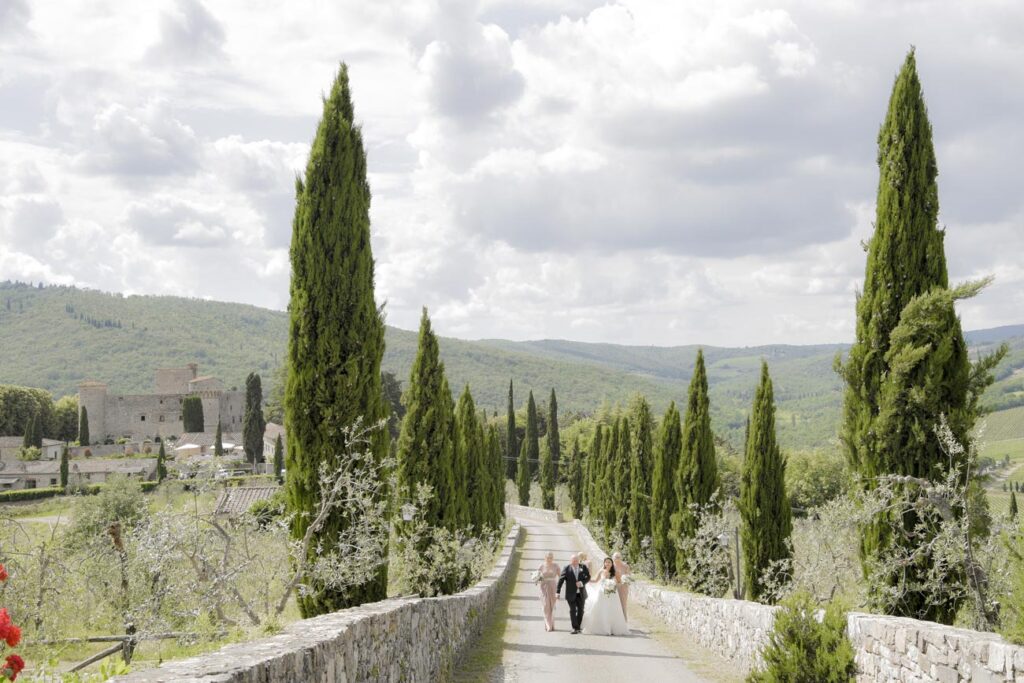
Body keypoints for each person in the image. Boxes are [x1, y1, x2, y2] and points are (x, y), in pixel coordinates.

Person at [581, 557, 629, 636]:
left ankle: (613, 628)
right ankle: (602, 627)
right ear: (604, 563)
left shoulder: (616, 572)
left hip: (612, 594)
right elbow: (595, 580)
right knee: (601, 608)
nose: (607, 564)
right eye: (606, 562)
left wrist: (613, 585)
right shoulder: (601, 571)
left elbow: (619, 582)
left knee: (612, 609)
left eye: (609, 562)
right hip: (602, 593)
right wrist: (586, 580)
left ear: (612, 563)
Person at [556, 553, 590, 634]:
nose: (575, 562)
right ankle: (575, 628)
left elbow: (588, 577)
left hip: (581, 593)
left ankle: (578, 626)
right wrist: (557, 592)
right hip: (570, 593)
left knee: (581, 611)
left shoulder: (583, 567)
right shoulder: (566, 568)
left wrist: (582, 582)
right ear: (570, 561)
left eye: (576, 560)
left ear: (579, 560)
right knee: (572, 610)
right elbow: (561, 581)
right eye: (573, 561)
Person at [537, 551, 561, 631]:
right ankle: (548, 625)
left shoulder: (556, 566)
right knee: (545, 606)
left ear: (553, 558)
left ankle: (551, 624)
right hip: (543, 587)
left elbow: (561, 577)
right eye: (548, 557)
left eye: (551, 558)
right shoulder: (541, 566)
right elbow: (536, 578)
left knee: (552, 607)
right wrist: (539, 580)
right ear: (545, 558)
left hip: (553, 587)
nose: (549, 559)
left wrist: (559, 590)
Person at [612, 551, 632, 623]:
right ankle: (615, 622)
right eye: (615, 557)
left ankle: (624, 621)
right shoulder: (611, 566)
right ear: (613, 558)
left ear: (621, 558)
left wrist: (625, 578)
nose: (617, 559)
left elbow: (629, 576)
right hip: (613, 587)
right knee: (614, 604)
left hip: (623, 587)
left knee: (623, 604)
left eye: (618, 557)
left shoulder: (625, 566)